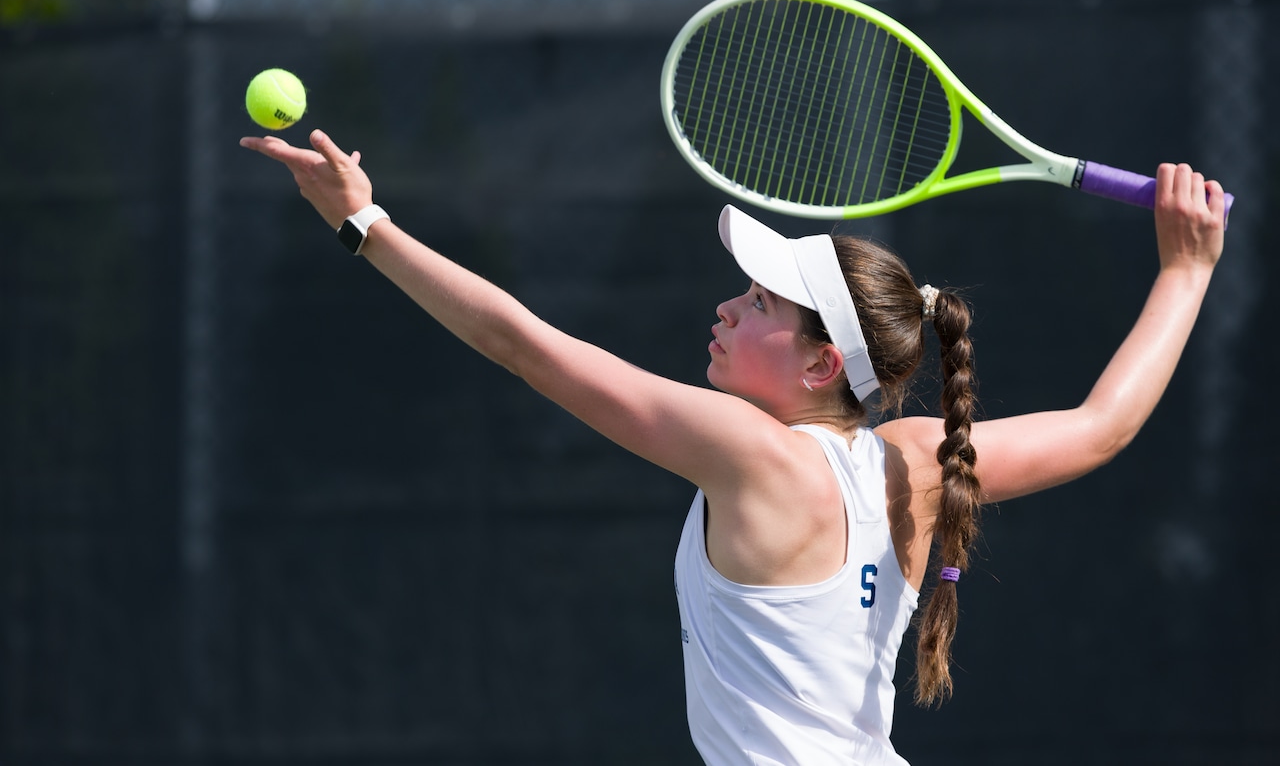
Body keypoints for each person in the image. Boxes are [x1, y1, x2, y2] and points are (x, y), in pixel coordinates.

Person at [240, 129, 1226, 766]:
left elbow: (525, 346)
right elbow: (1103, 425)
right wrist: (1185, 271)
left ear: (818, 366)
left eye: (757, 303)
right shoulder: (917, 459)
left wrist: (364, 224)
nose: (724, 307)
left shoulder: (755, 453)